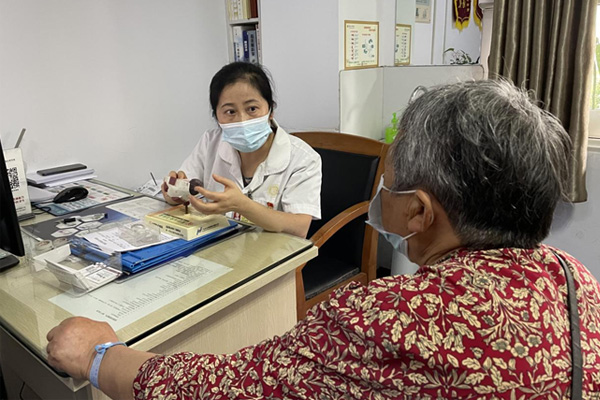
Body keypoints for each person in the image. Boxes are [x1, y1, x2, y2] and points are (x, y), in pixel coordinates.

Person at [46, 80, 600, 399]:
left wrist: (100, 357)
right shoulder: (577, 280)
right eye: (228, 111)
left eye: (390, 186)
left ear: (419, 211)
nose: (239, 119)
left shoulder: (384, 318)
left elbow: (230, 388)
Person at [162, 62, 322, 238]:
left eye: (252, 109)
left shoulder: (303, 158)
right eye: (230, 112)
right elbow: (185, 188)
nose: (242, 120)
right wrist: (174, 193)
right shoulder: (210, 142)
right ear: (217, 117)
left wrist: (242, 206)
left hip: (274, 252)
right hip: (217, 245)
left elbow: (299, 227)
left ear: (270, 110)